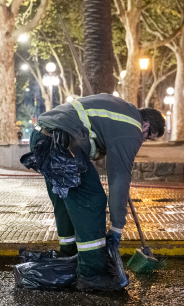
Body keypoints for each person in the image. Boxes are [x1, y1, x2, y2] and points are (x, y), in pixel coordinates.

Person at [28, 93, 165, 291]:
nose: (142, 141)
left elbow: (94, 137)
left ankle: (69, 255)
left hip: (42, 136)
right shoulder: (132, 128)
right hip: (62, 142)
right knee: (92, 200)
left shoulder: (120, 110)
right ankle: (91, 274)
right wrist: (117, 229)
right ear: (145, 126)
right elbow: (119, 178)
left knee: (67, 197)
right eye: (148, 138)